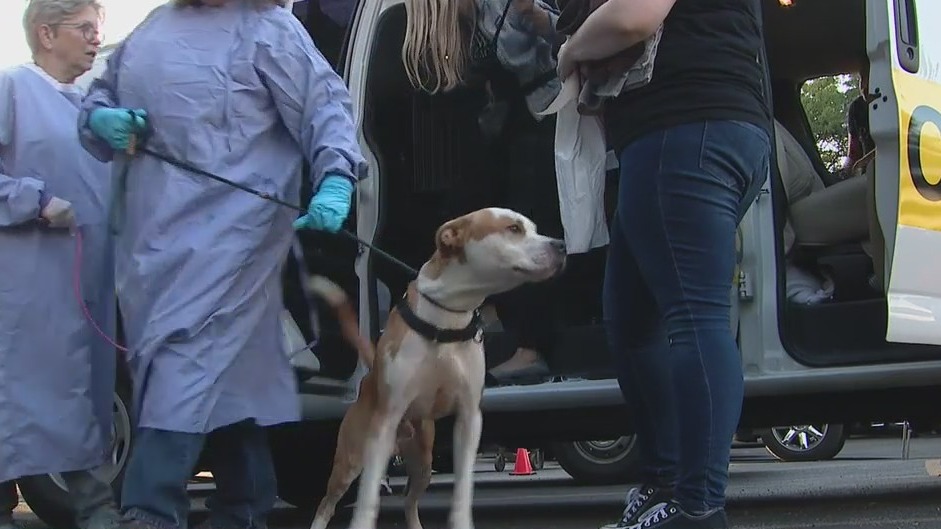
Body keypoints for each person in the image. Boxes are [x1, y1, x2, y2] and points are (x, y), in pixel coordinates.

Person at [77, 1, 367, 528]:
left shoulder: (268, 30)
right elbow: (100, 95)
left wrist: (337, 176)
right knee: (225, 381)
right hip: (155, 242)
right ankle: (244, 506)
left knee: (182, 365)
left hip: (237, 236)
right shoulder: (152, 30)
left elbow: (324, 107)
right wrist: (100, 118)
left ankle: (149, 509)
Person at [558, 0, 772, 527]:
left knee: (693, 317)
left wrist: (569, 50)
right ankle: (666, 486)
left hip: (684, 127)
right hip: (703, 129)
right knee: (630, 320)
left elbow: (634, 15)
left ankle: (697, 507)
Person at [0, 2, 121, 529]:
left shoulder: (92, 109)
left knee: (82, 411)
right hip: (27, 294)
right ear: (46, 33)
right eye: (86, 30)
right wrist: (34, 199)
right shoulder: (13, 90)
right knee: (23, 408)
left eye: (100, 31)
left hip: (88, 294)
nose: (97, 41)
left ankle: (96, 510)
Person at [402, 0, 565, 384]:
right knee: (471, 205)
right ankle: (493, 307)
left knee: (529, 215)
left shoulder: (509, 5)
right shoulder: (470, 15)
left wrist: (538, 18)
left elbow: (567, 32)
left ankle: (533, 347)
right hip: (508, 119)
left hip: (545, 112)